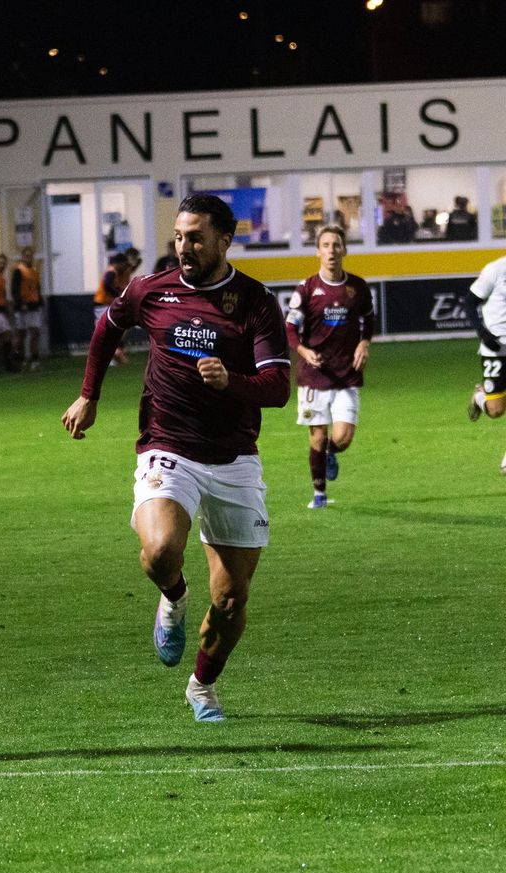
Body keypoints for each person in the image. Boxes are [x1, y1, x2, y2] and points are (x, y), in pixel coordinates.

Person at [61, 193, 290, 724]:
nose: (184, 247)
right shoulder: (151, 290)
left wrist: (231, 381)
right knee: (162, 549)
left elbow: (278, 387)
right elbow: (107, 327)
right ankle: (174, 596)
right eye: (180, 237)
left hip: (233, 459)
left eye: (196, 238)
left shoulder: (255, 302)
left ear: (225, 241)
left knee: (231, 600)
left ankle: (201, 687)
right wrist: (89, 395)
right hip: (168, 444)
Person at [285, 225, 377, 508]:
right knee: (318, 435)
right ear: (318, 252)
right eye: (326, 245)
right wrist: (303, 351)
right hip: (314, 375)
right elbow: (290, 329)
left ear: (344, 250)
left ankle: (330, 453)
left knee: (343, 437)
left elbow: (369, 319)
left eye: (336, 245)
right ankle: (319, 495)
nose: (332, 250)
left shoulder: (357, 287)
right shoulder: (307, 288)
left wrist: (364, 343)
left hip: (347, 373)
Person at [463, 252, 506, 473]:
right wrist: (482, 333)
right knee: (496, 410)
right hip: (496, 348)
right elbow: (470, 303)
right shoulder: (496, 269)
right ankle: (480, 396)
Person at [11, 246, 44, 371]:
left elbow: (37, 288)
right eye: (26, 255)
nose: (28, 258)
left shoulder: (34, 271)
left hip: (34, 306)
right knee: (21, 335)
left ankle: (34, 360)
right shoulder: (18, 271)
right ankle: (21, 359)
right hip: (22, 308)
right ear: (23, 257)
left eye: (30, 255)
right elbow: (15, 290)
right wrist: (21, 303)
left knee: (35, 333)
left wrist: (41, 303)